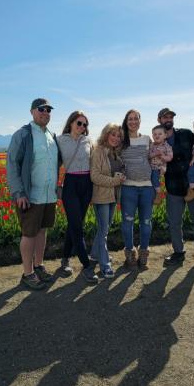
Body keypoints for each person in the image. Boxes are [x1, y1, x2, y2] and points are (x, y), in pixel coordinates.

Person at [6, 98, 60, 289]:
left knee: (42, 231)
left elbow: (56, 164)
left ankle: (39, 266)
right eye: (41, 109)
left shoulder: (51, 136)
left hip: (48, 195)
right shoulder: (23, 134)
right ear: (32, 111)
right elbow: (12, 165)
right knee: (29, 234)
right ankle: (27, 273)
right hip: (30, 195)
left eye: (48, 110)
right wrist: (19, 192)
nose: (45, 112)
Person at [157, 107, 194, 269]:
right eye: (165, 117)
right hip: (173, 188)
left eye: (170, 117)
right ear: (159, 120)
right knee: (174, 223)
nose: (168, 119)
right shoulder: (158, 140)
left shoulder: (186, 134)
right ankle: (178, 253)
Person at [57, 111, 98, 284]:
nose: (82, 127)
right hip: (71, 184)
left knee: (75, 224)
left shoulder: (88, 141)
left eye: (85, 124)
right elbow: (54, 163)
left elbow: (96, 161)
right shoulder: (60, 140)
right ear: (71, 122)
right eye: (79, 123)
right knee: (76, 226)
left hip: (87, 184)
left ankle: (65, 258)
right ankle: (86, 265)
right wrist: (54, 183)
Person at [120, 109, 155, 269]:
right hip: (128, 188)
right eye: (130, 119)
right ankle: (130, 255)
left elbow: (155, 159)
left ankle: (143, 254)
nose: (133, 122)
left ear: (140, 121)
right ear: (126, 122)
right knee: (127, 223)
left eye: (136, 119)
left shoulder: (147, 139)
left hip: (147, 188)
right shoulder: (121, 140)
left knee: (146, 223)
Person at [90, 123, 125, 278]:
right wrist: (115, 181)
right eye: (113, 134)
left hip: (112, 196)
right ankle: (105, 265)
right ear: (106, 134)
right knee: (104, 231)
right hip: (101, 196)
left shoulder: (115, 153)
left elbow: (116, 171)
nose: (116, 138)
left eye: (118, 136)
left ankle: (95, 255)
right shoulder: (98, 151)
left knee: (104, 228)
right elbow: (95, 176)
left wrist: (121, 176)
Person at [148, 125, 173, 205]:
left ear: (165, 135)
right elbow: (148, 156)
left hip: (159, 167)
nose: (157, 136)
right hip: (150, 167)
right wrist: (154, 154)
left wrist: (162, 156)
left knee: (154, 179)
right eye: (154, 134)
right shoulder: (152, 145)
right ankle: (153, 194)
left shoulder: (167, 146)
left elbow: (170, 157)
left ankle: (159, 194)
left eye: (159, 134)